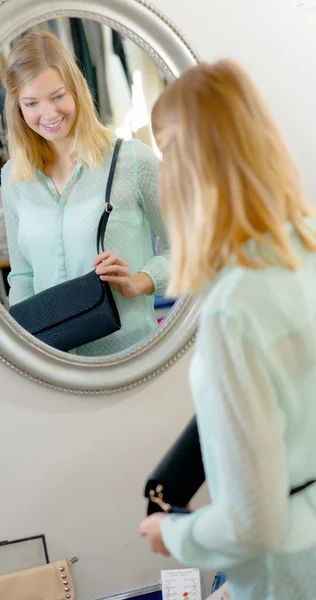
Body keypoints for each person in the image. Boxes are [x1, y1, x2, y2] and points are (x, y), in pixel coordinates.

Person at [139, 59, 316, 599]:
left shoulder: (233, 311)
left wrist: (173, 533)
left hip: (283, 573)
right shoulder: (306, 251)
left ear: (186, 169)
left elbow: (252, 522)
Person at [1, 31, 169, 356]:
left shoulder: (132, 160)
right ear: (17, 108)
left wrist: (140, 281)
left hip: (131, 358)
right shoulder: (13, 177)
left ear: (76, 89)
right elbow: (22, 276)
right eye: (31, 103)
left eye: (57, 96)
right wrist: (27, 347)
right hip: (55, 366)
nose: (48, 114)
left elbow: (191, 250)